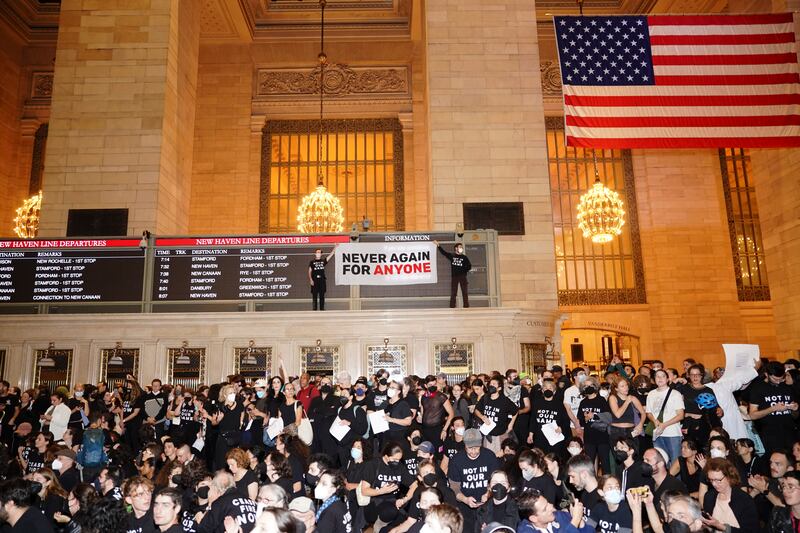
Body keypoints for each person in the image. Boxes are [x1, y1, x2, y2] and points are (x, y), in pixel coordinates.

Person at [447, 429, 500, 533]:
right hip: (465, 507)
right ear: (464, 445)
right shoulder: (457, 460)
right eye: (470, 448)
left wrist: (488, 493)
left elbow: (497, 480)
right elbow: (454, 486)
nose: (473, 451)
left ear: (481, 444)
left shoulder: (489, 457)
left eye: (476, 448)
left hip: (487, 505)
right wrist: (464, 499)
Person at [749, 361, 799, 454]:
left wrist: (795, 409)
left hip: (790, 433)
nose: (778, 382)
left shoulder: (786, 386)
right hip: (771, 435)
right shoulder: (758, 388)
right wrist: (773, 408)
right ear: (766, 374)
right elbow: (752, 415)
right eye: (775, 379)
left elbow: (795, 416)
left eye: (781, 379)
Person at [701, 458, 758, 532]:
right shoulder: (709, 497)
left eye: (718, 480)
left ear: (729, 477)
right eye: (711, 480)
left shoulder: (744, 500)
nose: (714, 484)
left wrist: (722, 527)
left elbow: (752, 531)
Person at [645, 368, 685, 465]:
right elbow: (648, 412)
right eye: (657, 376)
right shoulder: (651, 394)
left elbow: (681, 415)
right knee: (660, 463)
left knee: (675, 463)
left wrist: (664, 425)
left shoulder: (675, 394)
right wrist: (655, 421)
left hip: (672, 433)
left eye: (663, 376)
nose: (660, 378)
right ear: (654, 380)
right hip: (657, 433)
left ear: (667, 379)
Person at [516, 491, 590, 533]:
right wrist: (575, 521)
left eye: (547, 503)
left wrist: (580, 521)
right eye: (545, 509)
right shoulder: (525, 530)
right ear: (534, 518)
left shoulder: (560, 516)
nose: (551, 507)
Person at [434, 241, 472, 308]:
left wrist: (463, 270)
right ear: (456, 248)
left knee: (464, 292)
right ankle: (452, 306)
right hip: (454, 277)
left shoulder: (464, 257)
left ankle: (466, 306)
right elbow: (444, 253)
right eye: (460, 247)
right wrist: (438, 245)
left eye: (461, 247)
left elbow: (469, 266)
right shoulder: (452, 256)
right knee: (453, 292)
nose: (461, 248)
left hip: (463, 276)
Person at [308, 246, 336, 311]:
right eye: (317, 252)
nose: (318, 253)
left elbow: (331, 255)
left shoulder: (323, 261)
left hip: (322, 281)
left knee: (322, 296)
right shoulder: (312, 262)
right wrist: (311, 279)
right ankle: (314, 310)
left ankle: (322, 310)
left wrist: (335, 248)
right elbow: (309, 271)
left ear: (321, 254)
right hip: (314, 281)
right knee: (314, 296)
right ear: (315, 253)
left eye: (319, 252)